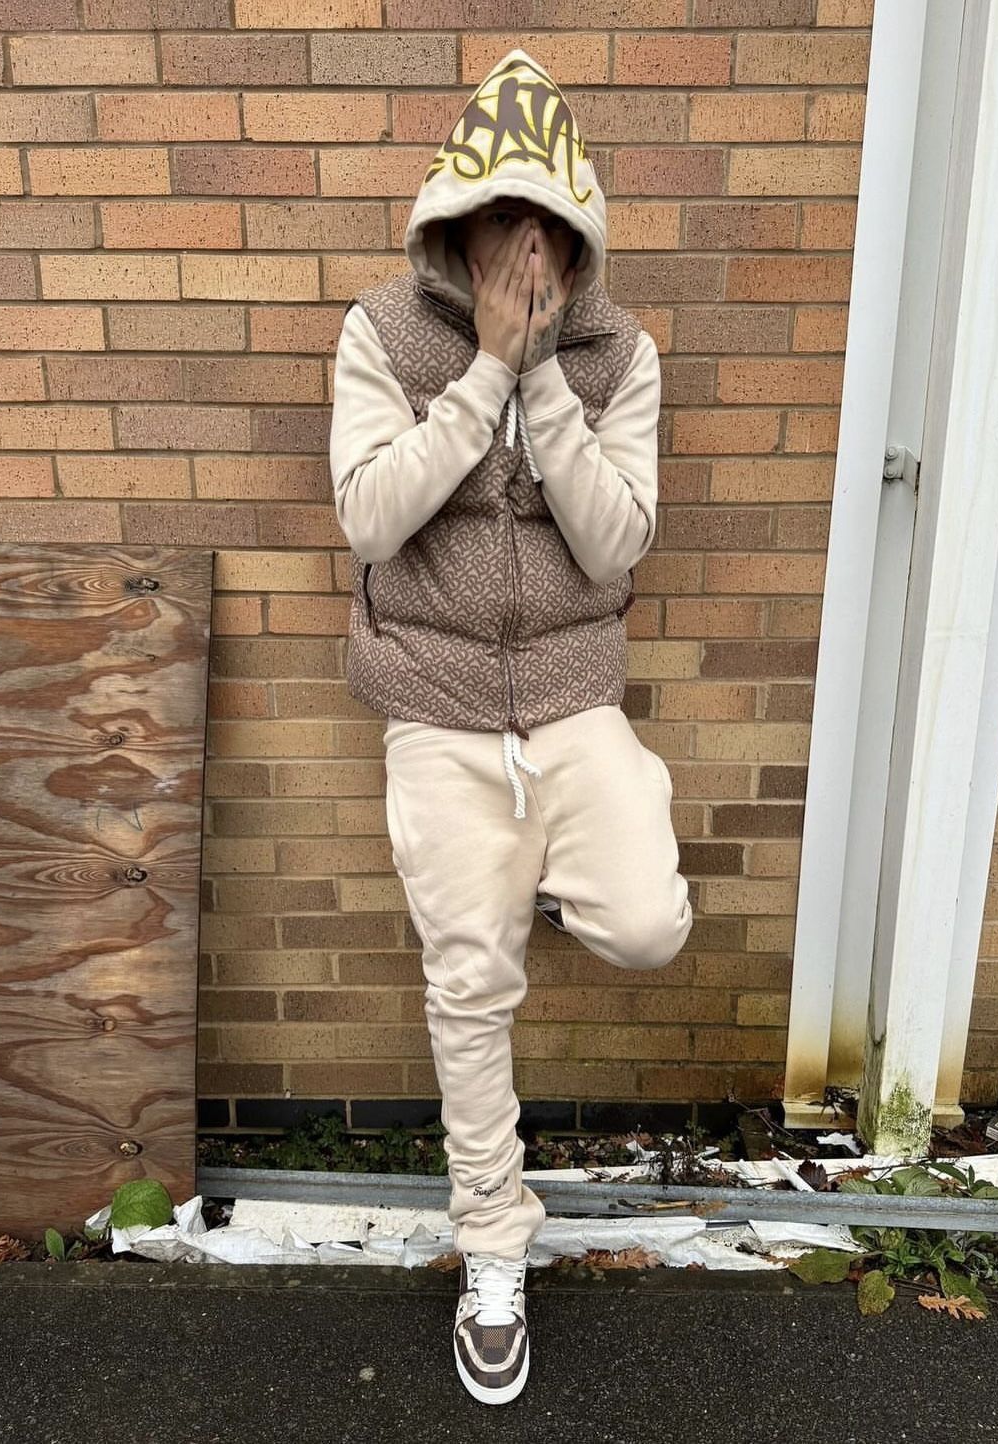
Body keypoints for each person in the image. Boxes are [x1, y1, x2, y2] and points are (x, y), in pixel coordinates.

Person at [329, 47, 693, 1405]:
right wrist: (481, 371)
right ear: (455, 223)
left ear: (578, 239)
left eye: (548, 228)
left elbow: (614, 546)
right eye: (500, 223)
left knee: (647, 925)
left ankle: (555, 863)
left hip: (572, 695)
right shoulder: (382, 333)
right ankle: (493, 1247)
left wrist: (543, 384)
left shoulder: (620, 354)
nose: (523, 253)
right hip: (434, 708)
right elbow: (370, 520)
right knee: (468, 985)